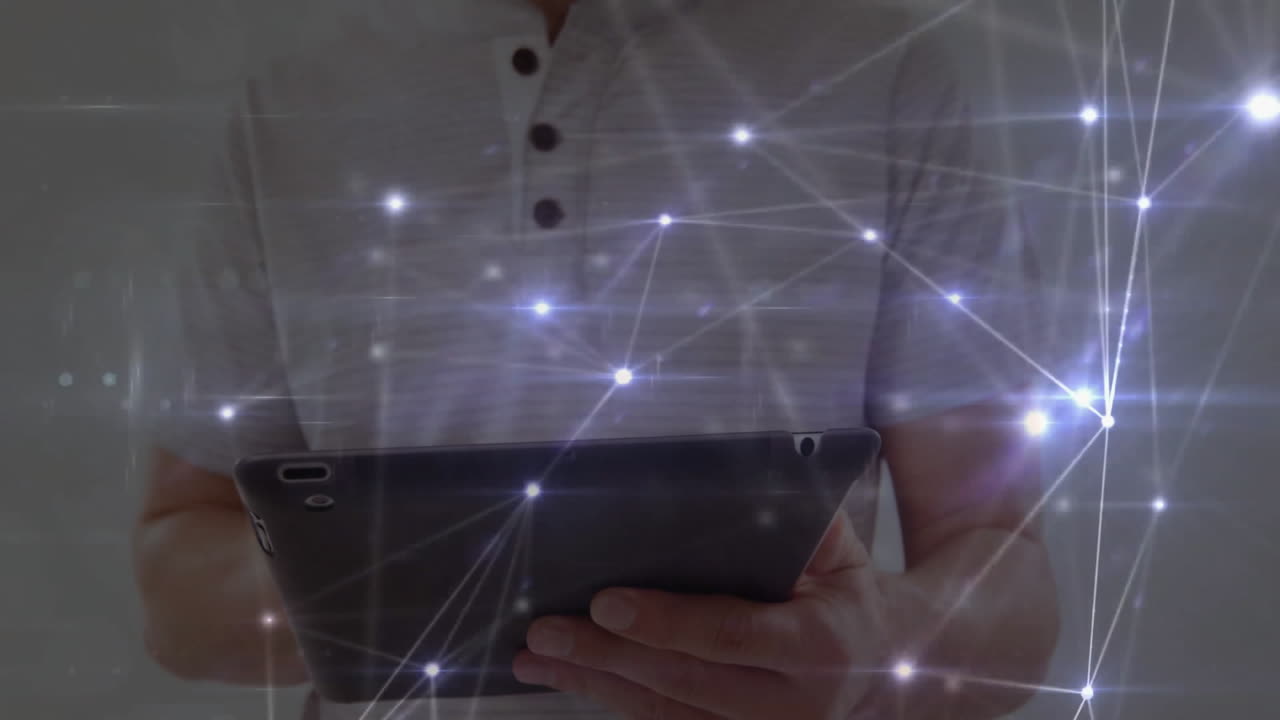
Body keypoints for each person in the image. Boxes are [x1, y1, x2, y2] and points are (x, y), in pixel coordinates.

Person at [132, 0, 1060, 718]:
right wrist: (382, 595)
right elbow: (177, 584)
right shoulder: (297, 95)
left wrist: (871, 656)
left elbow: (1008, 578)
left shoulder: (878, 65)